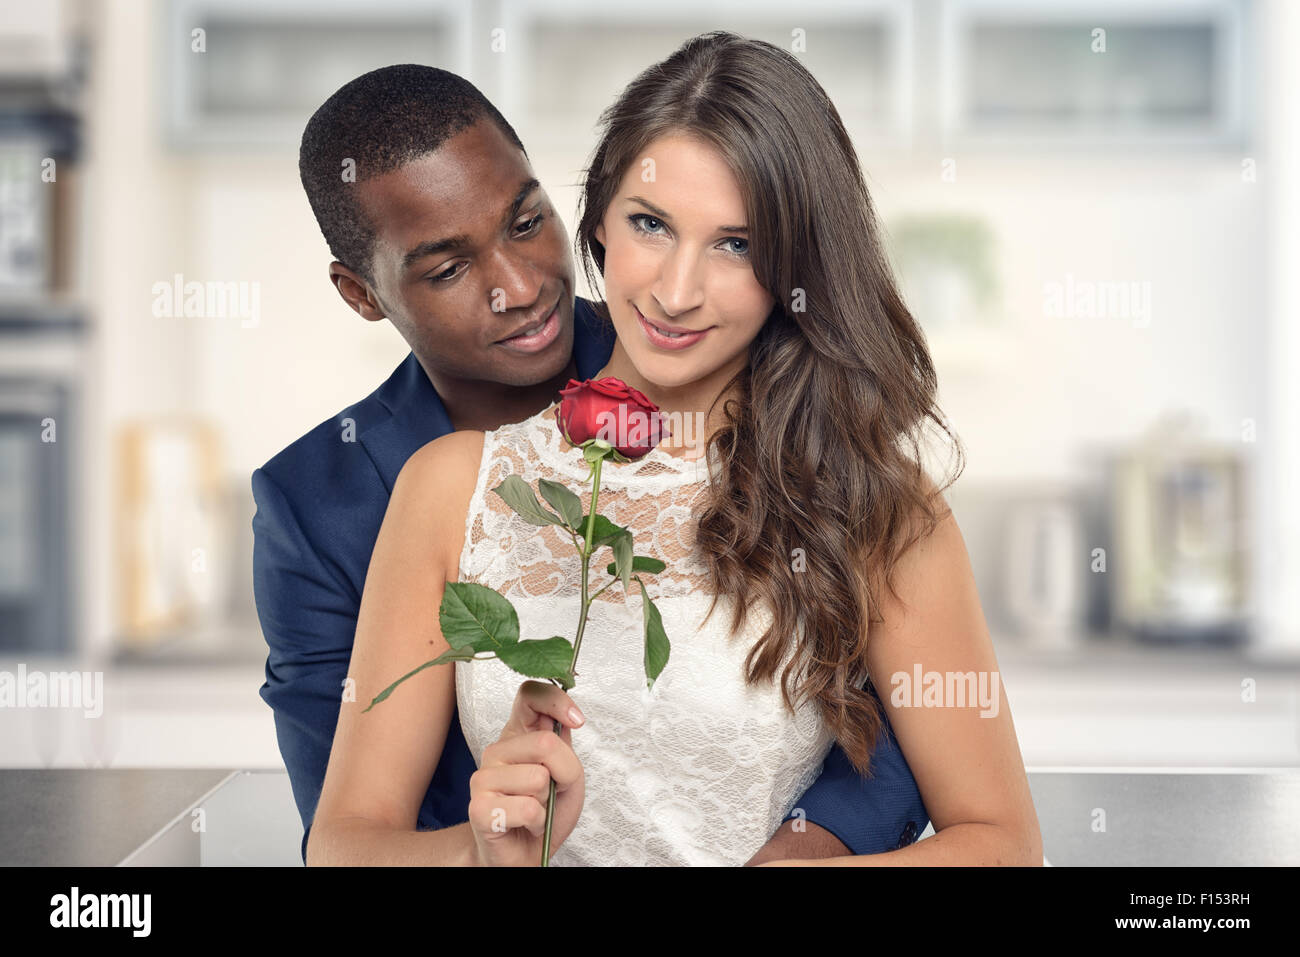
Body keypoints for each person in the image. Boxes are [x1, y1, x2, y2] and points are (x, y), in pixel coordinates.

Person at [303, 36, 1043, 866]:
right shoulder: (451, 488)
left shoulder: (878, 507)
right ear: (598, 221)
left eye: (737, 244)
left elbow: (1002, 844)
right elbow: (344, 845)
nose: (676, 291)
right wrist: (483, 853)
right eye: (651, 225)